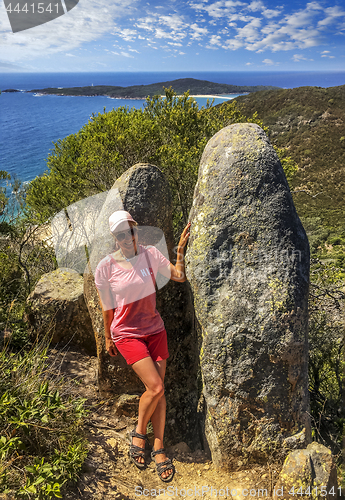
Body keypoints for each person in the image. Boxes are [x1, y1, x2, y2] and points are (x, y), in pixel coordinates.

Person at [94, 210, 190, 482]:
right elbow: (106, 306)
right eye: (120, 234)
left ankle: (159, 447)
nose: (127, 237)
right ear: (115, 238)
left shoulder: (150, 254)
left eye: (130, 231)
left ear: (136, 229)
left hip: (155, 330)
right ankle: (140, 434)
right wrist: (108, 337)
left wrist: (180, 249)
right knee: (157, 387)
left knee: (159, 390)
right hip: (126, 334)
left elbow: (179, 276)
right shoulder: (106, 267)